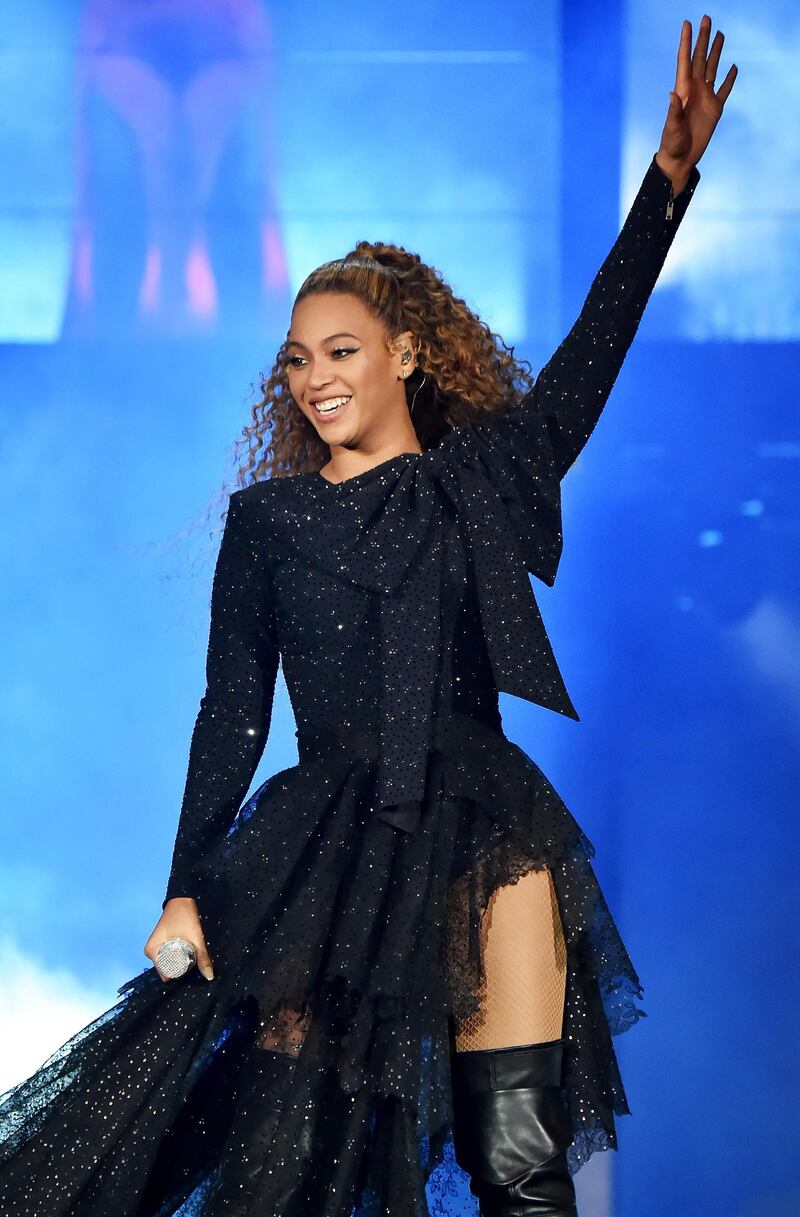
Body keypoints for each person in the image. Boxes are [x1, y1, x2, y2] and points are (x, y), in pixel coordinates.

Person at [0, 16, 736, 1217]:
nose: (315, 377)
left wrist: (665, 187)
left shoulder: (477, 480)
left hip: (488, 831)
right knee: (291, 1168)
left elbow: (585, 364)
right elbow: (229, 713)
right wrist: (184, 881)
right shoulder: (269, 521)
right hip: (319, 852)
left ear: (405, 350)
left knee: (518, 1161)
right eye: (296, 359)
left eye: (340, 348)